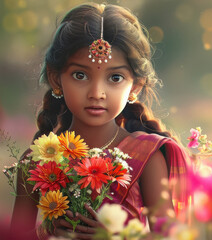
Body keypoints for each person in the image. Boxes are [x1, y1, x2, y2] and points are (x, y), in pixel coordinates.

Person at [10, 3, 190, 239]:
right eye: (80, 75)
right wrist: (46, 232)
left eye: (115, 78)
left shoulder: (146, 156)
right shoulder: (38, 161)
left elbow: (170, 236)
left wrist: (117, 235)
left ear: (134, 86)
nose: (97, 92)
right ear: (56, 80)